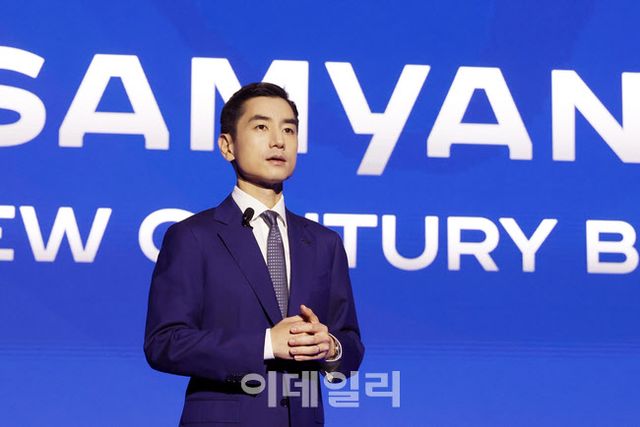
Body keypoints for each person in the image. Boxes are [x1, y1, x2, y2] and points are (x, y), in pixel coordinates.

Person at [144, 82, 364, 426]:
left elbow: (350, 347)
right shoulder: (192, 237)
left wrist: (330, 347)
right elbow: (165, 343)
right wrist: (266, 343)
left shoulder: (324, 243)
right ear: (227, 146)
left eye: (288, 130)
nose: (278, 141)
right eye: (261, 127)